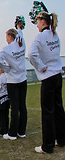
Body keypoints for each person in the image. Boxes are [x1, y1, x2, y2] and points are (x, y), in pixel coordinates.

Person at [28, 11, 65, 153]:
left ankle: (48, 146)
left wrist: (41, 67)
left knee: (47, 112)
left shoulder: (40, 37)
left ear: (42, 21)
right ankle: (61, 139)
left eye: (37, 21)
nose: (36, 25)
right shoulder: (55, 35)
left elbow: (31, 54)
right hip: (57, 76)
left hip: (48, 77)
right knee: (58, 109)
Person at [0, 26, 27, 140]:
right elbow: (20, 34)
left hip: (13, 81)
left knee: (14, 107)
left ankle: (12, 133)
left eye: (6, 37)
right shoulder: (21, 43)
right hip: (23, 79)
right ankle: (21, 131)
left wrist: (6, 69)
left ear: (10, 37)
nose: (6, 40)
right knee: (22, 106)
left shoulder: (6, 49)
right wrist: (19, 28)